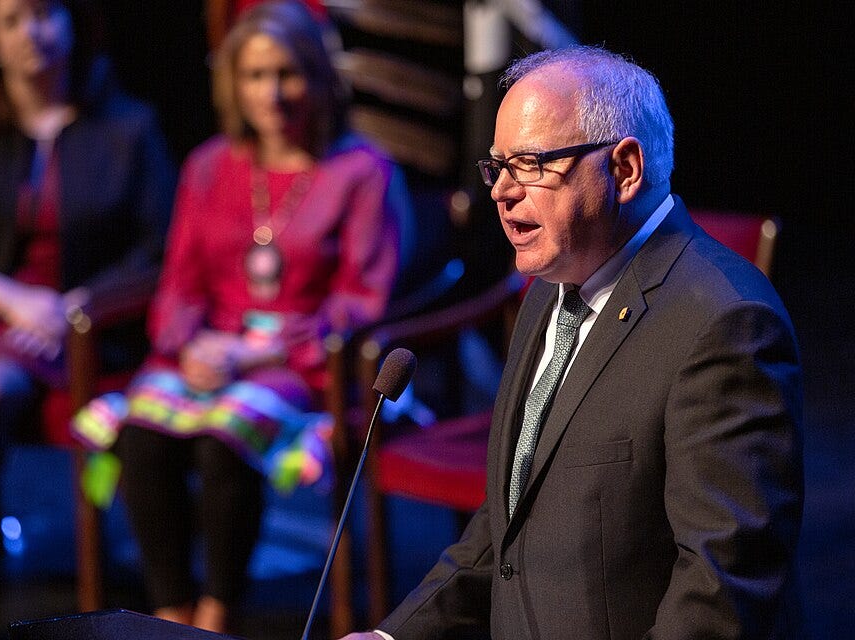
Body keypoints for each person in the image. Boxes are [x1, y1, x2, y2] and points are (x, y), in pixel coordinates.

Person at [342, 46, 803, 640]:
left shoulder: (726, 324)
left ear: (625, 170)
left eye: (530, 164)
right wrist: (392, 637)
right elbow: (508, 520)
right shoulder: (550, 288)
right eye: (497, 167)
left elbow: (720, 593)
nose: (501, 191)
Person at [72, 0, 400, 633]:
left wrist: (256, 354)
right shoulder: (208, 165)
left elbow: (362, 299)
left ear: (317, 77)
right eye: (254, 76)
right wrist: (189, 343)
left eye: (286, 74)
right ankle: (171, 616)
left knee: (224, 440)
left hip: (302, 363)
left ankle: (215, 619)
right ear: (233, 84)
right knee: (141, 436)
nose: (271, 93)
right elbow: (179, 283)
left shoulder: (361, 171)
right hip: (208, 350)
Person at [0, 0, 174, 631]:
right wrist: (4, 297)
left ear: (73, 23)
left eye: (45, 14)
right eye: (12, 21)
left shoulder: (127, 126)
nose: (32, 34)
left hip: (71, 326)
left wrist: (78, 305)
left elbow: (156, 252)